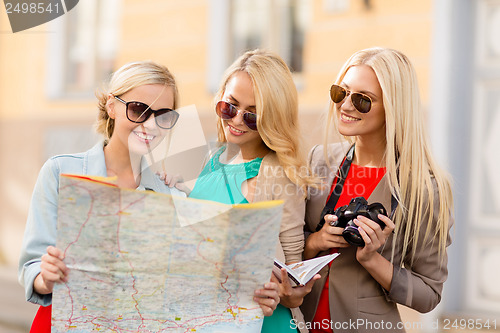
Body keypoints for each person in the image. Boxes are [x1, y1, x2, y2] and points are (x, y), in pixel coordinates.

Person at [18, 60, 278, 332]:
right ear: (112, 106)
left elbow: (191, 283)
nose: (151, 125)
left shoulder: (172, 195)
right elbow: (32, 264)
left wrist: (252, 298)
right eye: (139, 109)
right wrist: (44, 277)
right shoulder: (60, 172)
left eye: (163, 115)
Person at [301, 47, 454, 333]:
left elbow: (429, 294)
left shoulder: (424, 188)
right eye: (341, 93)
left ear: (394, 107)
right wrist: (316, 242)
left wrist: (373, 261)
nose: (346, 106)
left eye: (363, 100)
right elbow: (287, 246)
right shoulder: (318, 160)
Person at [171, 49, 319, 333]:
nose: (237, 120)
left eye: (252, 115)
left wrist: (284, 290)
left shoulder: (279, 174)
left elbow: (292, 275)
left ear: (272, 119)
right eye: (230, 107)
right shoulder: (210, 160)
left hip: (262, 324)